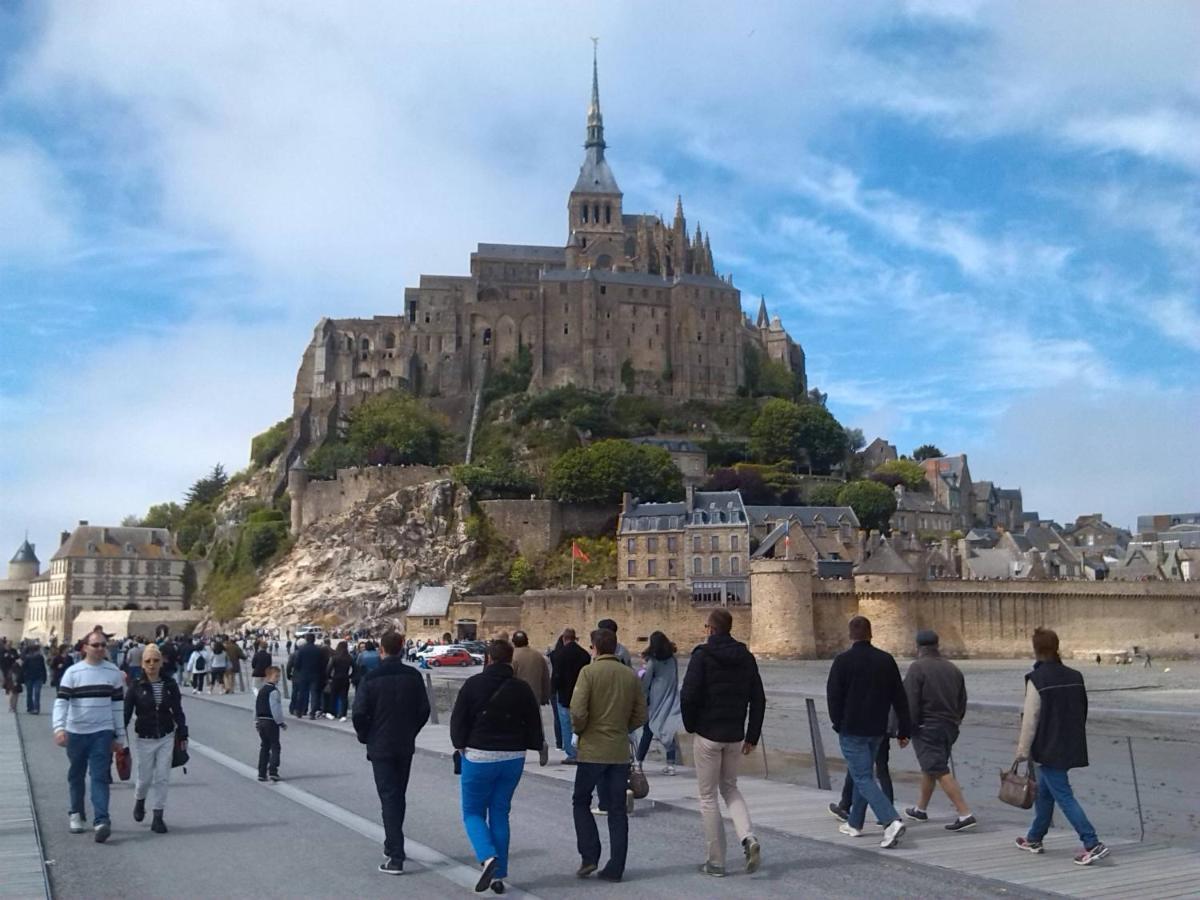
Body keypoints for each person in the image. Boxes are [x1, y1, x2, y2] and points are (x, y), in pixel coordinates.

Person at [450, 639, 544, 893]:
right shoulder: (521, 688)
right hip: (513, 757)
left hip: (480, 755)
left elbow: (458, 720)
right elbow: (533, 722)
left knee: (472, 812)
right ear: (510, 660)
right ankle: (498, 875)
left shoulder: (473, 685)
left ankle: (487, 856)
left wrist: (459, 745)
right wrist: (536, 745)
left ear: (488, 658)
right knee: (500, 812)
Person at [1014, 627, 1110, 865]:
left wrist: (1022, 752)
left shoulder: (1036, 679)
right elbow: (1082, 709)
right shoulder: (1076, 676)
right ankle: (1034, 838)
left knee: (1064, 796)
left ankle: (1092, 842)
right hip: (1071, 742)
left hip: (1048, 747)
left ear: (1035, 650)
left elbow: (1030, 719)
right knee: (1045, 794)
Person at [680, 610, 765, 877]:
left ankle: (716, 861)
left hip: (708, 732)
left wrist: (691, 725)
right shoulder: (746, 657)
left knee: (707, 797)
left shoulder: (702, 657)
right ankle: (748, 837)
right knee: (730, 788)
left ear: (710, 629)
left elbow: (688, 695)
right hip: (734, 733)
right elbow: (758, 699)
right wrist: (752, 735)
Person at [826, 615, 911, 849]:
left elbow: (833, 696)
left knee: (862, 776)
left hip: (852, 728)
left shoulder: (842, 661)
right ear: (871, 633)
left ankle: (890, 821)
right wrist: (905, 729)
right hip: (877, 729)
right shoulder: (886, 660)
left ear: (850, 635)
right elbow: (899, 697)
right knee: (861, 773)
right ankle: (854, 823)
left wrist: (837, 723)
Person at [570, 627, 647, 883]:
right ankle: (616, 866)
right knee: (616, 810)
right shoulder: (629, 675)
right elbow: (641, 714)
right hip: (617, 750)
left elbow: (578, 711)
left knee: (581, 800)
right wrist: (623, 728)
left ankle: (590, 853)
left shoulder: (588, 673)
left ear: (594, 648)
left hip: (592, 749)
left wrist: (580, 730)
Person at [352, 630, 431, 875]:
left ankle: (395, 855)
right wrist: (411, 731)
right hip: (404, 743)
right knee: (398, 795)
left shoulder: (371, 677)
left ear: (382, 651)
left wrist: (366, 736)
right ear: (402, 648)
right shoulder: (414, 676)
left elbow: (359, 713)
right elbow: (424, 710)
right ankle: (392, 843)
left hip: (381, 744)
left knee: (389, 797)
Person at [53, 632, 127, 842]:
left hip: (101, 733)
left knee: (100, 776)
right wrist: (59, 728)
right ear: (85, 647)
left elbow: (117, 706)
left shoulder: (112, 673)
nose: (101, 648)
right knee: (76, 774)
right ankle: (76, 813)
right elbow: (62, 702)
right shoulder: (73, 673)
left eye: (104, 645)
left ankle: (102, 820)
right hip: (76, 732)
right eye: (96, 645)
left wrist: (119, 735)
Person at [901, 630, 975, 830]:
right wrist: (956, 721)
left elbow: (910, 702)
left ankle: (964, 813)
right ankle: (921, 809)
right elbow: (962, 701)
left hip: (927, 727)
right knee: (931, 767)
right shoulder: (953, 669)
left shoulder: (917, 668)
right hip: (949, 727)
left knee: (939, 769)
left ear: (918, 647)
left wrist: (904, 730)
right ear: (937, 645)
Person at [123, 643, 186, 834]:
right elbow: (126, 714)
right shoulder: (136, 686)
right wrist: (119, 738)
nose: (152, 664)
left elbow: (178, 710)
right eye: (148, 661)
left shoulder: (169, 684)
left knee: (162, 778)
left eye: (155, 661)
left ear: (161, 663)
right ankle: (140, 800)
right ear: (142, 664)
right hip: (144, 738)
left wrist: (183, 732)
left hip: (166, 736)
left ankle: (158, 816)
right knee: (144, 778)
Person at [637, 631, 682, 776]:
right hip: (670, 699)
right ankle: (670, 765)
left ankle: (639, 762)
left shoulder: (653, 662)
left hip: (655, 701)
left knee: (648, 731)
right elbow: (675, 678)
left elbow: (646, 682)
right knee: (668, 732)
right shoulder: (673, 660)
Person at [549, 628, 590, 765]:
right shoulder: (584, 655)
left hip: (564, 694)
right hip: (580, 693)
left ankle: (571, 753)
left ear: (564, 639)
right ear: (575, 638)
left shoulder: (558, 655)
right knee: (580, 724)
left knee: (566, 724)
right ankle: (582, 751)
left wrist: (553, 690)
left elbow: (556, 675)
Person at [510, 631, 551, 766]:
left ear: (514, 642)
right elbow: (545, 677)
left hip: (516, 698)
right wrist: (545, 695)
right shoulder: (538, 656)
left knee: (516, 725)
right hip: (534, 696)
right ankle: (541, 744)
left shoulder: (512, 656)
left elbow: (509, 678)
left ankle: (517, 752)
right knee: (535, 723)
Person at [255, 666, 286, 782]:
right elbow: (275, 708)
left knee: (264, 746)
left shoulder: (261, 690)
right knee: (275, 746)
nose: (278, 679)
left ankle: (261, 773)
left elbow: (256, 706)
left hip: (261, 720)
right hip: (270, 721)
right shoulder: (273, 691)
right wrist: (280, 722)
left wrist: (256, 720)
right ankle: (273, 771)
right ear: (268, 676)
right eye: (276, 676)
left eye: (278, 676)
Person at [293, 633, 324, 719]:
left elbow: (297, 663)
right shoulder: (318, 650)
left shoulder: (302, 650)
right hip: (315, 674)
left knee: (302, 693)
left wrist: (299, 670)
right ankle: (312, 713)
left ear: (306, 639)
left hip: (304, 674)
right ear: (314, 640)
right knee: (314, 694)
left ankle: (300, 711)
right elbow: (321, 664)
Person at [327, 641, 355, 721]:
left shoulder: (334, 657)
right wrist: (350, 676)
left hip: (336, 678)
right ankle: (343, 715)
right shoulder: (349, 657)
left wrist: (329, 677)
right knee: (344, 697)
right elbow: (355, 668)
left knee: (333, 696)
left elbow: (329, 669)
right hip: (345, 678)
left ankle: (332, 713)